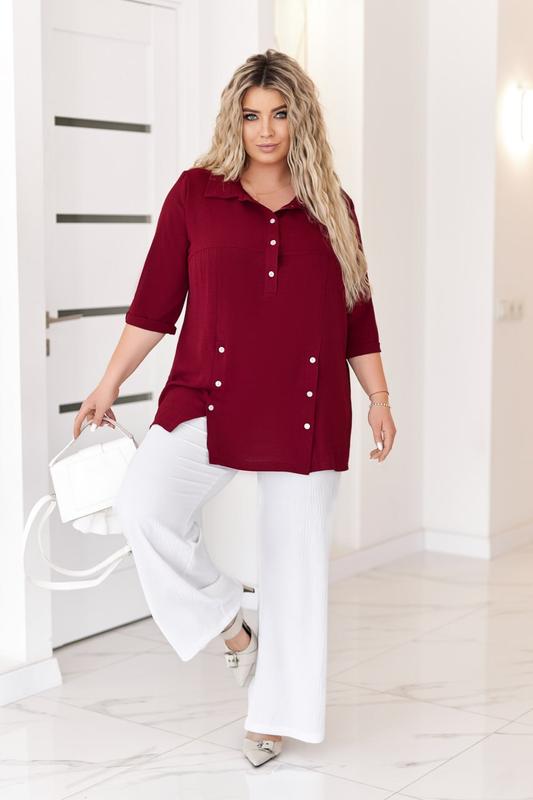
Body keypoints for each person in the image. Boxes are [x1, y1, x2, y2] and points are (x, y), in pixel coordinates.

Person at [73, 49, 396, 767]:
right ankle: (229, 622)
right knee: (144, 505)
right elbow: (154, 306)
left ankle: (272, 717)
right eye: (252, 116)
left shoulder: (334, 207)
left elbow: (358, 315)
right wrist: (107, 383)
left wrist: (378, 397)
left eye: (279, 114)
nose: (266, 130)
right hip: (209, 394)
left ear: (301, 120)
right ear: (234, 121)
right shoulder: (196, 194)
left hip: (305, 403)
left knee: (295, 565)